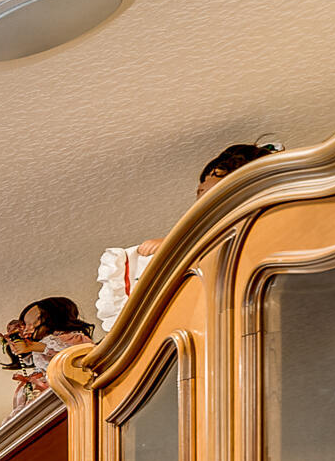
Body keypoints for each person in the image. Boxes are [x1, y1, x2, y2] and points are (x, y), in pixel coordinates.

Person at [97, 141, 283, 330]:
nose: (203, 201)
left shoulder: (264, 226)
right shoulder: (202, 238)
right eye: (200, 193)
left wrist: (175, 247)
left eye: (215, 193)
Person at [1, 296, 98, 409]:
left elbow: (73, 352)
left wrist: (32, 346)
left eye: (33, 323)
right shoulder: (41, 347)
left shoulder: (70, 339)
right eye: (26, 325)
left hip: (66, 386)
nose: (27, 329)